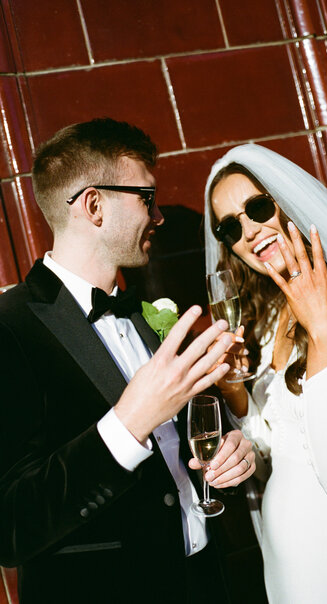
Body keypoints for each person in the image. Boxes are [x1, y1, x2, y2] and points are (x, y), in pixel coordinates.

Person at [0, 118, 257, 604]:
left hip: (206, 582)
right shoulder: (10, 328)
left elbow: (186, 449)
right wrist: (128, 424)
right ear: (94, 205)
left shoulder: (146, 314)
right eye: (146, 198)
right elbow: (11, 527)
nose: (157, 216)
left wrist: (229, 455)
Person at [204, 143, 327, 604]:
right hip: (285, 557)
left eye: (257, 208)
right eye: (230, 227)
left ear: (287, 202)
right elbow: (270, 454)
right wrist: (233, 390)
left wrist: (324, 329)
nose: (249, 231)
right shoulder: (269, 317)